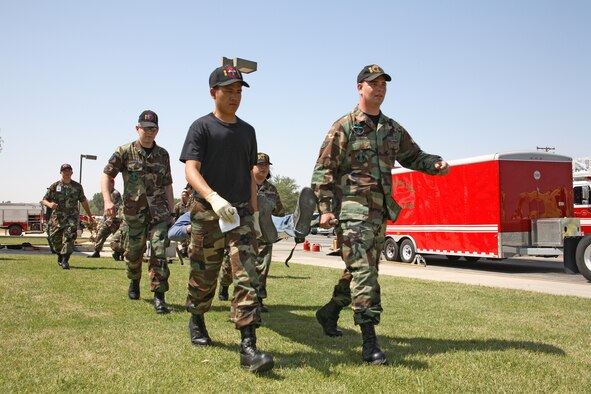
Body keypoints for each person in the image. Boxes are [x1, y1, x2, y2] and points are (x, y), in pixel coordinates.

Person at [311, 64, 450, 365]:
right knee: (366, 275)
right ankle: (369, 342)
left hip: (380, 214)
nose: (379, 88)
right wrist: (324, 210)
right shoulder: (345, 126)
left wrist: (435, 163)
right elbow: (323, 169)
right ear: (359, 88)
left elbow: (413, 155)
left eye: (384, 84)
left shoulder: (392, 129)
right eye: (373, 83)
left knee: (359, 272)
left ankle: (328, 313)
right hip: (352, 214)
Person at [179, 65, 273, 373]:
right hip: (207, 214)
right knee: (203, 277)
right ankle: (197, 317)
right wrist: (213, 197)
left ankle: (249, 345)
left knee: (247, 274)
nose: (235, 97)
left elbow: (250, 177)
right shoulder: (201, 127)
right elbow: (191, 169)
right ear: (213, 93)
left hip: (240, 216)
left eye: (239, 91)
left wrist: (256, 214)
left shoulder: (248, 131)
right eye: (228, 91)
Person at [167, 187, 317, 304]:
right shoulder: (194, 213)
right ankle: (221, 291)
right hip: (212, 245)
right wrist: (191, 228)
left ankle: (292, 223)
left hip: (236, 237)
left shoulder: (232, 208)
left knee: (262, 223)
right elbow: (172, 233)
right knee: (217, 276)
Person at [101, 110, 175, 314]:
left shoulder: (163, 154)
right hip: (134, 213)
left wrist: (171, 211)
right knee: (133, 254)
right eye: (145, 128)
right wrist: (108, 200)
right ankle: (134, 281)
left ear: (157, 130)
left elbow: (168, 184)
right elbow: (106, 176)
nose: (149, 132)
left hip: (159, 213)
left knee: (159, 251)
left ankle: (159, 296)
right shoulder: (124, 151)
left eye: (153, 129)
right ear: (137, 128)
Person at [42, 163, 94, 269]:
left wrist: (89, 215)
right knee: (55, 239)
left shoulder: (77, 187)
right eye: (64, 171)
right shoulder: (55, 186)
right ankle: (60, 254)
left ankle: (65, 259)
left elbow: (83, 201)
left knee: (69, 237)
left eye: (68, 171)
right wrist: (50, 204)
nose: (67, 173)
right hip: (57, 217)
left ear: (72, 173)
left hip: (72, 217)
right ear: (61, 172)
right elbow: (44, 200)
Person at [87, 179, 122, 258]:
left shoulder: (115, 194)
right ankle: (97, 251)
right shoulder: (107, 194)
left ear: (112, 184)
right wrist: (103, 220)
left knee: (116, 238)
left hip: (114, 220)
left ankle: (118, 252)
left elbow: (117, 207)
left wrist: (111, 219)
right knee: (101, 234)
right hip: (107, 220)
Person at [174, 189, 191, 257]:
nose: (183, 197)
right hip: (181, 226)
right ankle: (184, 254)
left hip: (190, 225)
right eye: (182, 195)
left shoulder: (191, 205)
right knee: (183, 241)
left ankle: (189, 253)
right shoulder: (178, 206)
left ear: (188, 196)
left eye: (184, 195)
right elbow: (175, 216)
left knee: (190, 241)